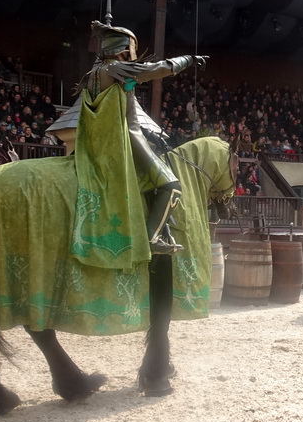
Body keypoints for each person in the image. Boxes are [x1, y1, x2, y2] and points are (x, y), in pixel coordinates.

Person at [78, 19, 208, 255]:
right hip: (123, 138)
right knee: (172, 186)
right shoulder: (114, 69)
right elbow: (153, 70)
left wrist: (149, 133)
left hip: (110, 136)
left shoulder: (94, 74)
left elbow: (118, 112)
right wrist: (187, 60)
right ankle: (152, 239)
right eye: (130, 50)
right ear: (124, 49)